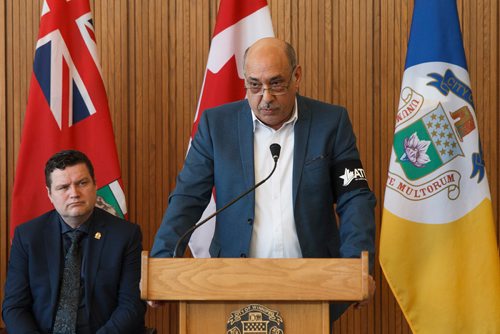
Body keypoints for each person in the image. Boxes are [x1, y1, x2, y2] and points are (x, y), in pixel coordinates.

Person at [150, 37, 376, 320]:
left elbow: (354, 197)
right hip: (233, 285)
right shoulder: (216, 125)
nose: (265, 97)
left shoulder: (330, 122)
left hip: (313, 285)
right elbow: (187, 198)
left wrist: (357, 268)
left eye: (276, 83)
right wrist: (161, 263)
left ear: (297, 76)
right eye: (254, 85)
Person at [2, 150, 146, 333]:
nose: (74, 193)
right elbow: (14, 307)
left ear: (95, 185)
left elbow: (131, 306)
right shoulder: (28, 236)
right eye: (63, 187)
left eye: (82, 183)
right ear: (49, 194)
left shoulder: (125, 235)